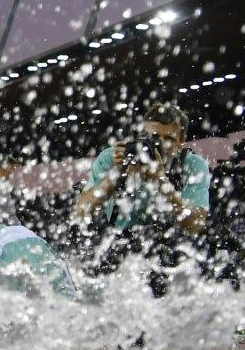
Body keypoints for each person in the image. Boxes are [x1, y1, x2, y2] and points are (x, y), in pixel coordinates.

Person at [74, 100, 210, 293]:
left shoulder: (192, 166)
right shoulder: (114, 158)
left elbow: (197, 224)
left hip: (170, 248)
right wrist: (115, 175)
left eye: (169, 139)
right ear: (141, 135)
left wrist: (163, 184)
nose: (161, 145)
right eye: (154, 137)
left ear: (181, 139)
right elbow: (82, 211)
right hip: (119, 244)